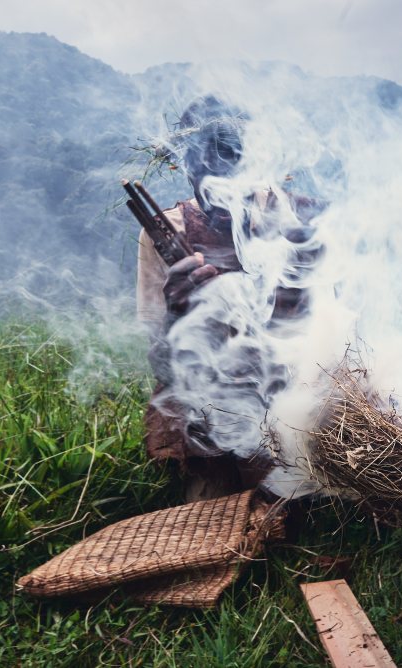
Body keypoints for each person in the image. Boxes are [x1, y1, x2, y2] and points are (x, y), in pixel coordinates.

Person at [136, 96, 323, 502]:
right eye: (203, 169)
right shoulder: (166, 232)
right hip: (211, 410)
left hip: (297, 401)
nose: (219, 189)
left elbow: (341, 338)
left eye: (234, 167)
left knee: (321, 502)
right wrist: (177, 315)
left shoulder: (298, 219)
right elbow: (163, 367)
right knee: (212, 514)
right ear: (184, 166)